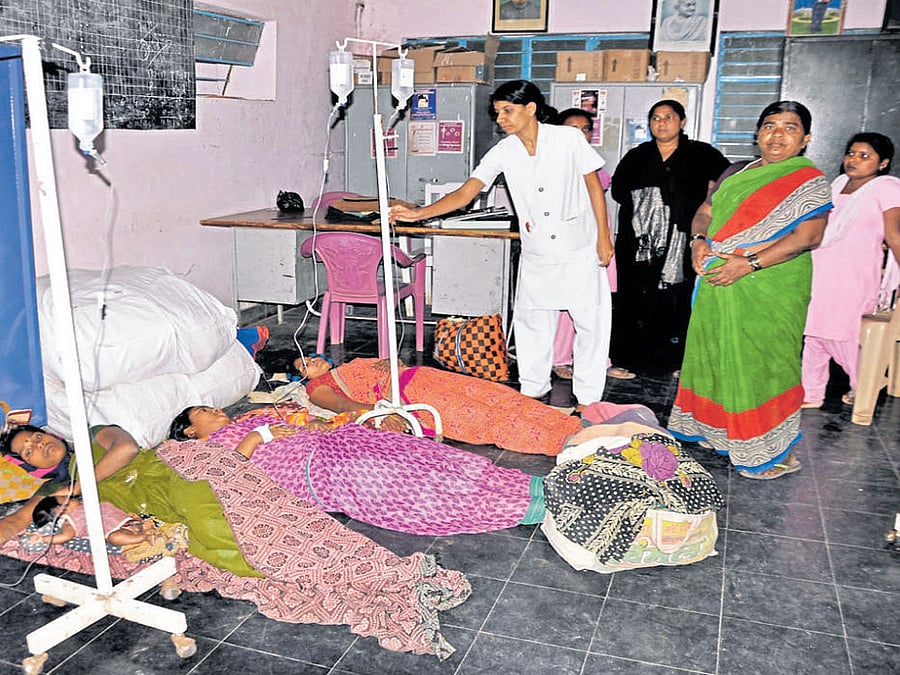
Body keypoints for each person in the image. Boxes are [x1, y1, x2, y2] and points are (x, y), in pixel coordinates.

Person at [0, 423, 470, 659]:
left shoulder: (94, 432)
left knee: (274, 526)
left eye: (36, 439)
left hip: (188, 470)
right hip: (163, 505)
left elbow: (125, 449)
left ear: (50, 433)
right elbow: (20, 518)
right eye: (27, 453)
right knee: (236, 552)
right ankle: (363, 578)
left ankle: (380, 572)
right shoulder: (58, 485)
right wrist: (25, 515)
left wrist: (81, 489)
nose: (37, 448)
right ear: (32, 466)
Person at [391, 80, 614, 411]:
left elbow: (594, 187)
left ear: (531, 109)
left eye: (507, 111)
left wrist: (603, 237)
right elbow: (467, 194)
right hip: (538, 250)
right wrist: (417, 214)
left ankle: (589, 398)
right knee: (532, 324)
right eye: (498, 113)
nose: (501, 119)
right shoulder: (504, 151)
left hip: (578, 247)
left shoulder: (567, 139)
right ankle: (533, 389)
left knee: (590, 323)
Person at [669, 100, 832, 480]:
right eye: (770, 126)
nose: (777, 135)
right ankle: (720, 431)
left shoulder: (808, 179)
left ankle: (769, 449)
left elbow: (809, 235)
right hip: (717, 278)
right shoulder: (735, 171)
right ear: (757, 133)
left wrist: (747, 264)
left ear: (806, 138)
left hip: (769, 282)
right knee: (715, 355)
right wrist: (697, 240)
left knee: (764, 362)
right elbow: (705, 212)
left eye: (790, 128)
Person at [167, 405, 546, 536]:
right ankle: (519, 507)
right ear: (189, 430)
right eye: (204, 411)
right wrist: (259, 435)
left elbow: (298, 424)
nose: (217, 411)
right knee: (399, 479)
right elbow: (232, 473)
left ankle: (527, 485)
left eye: (214, 407)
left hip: (331, 443)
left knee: (419, 454)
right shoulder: (203, 451)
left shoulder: (253, 415)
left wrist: (311, 426)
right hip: (319, 472)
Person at [610, 99, 730, 376]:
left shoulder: (702, 154)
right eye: (655, 118)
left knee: (677, 300)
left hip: (683, 241)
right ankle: (627, 361)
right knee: (633, 300)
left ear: (682, 121)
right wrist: (652, 208)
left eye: (668, 117)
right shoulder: (637, 155)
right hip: (640, 244)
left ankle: (678, 362)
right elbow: (619, 191)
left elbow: (724, 186)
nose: (661, 123)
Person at [298, 355, 584, 455]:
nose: (311, 361)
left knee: (499, 396)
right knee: (483, 417)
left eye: (309, 356)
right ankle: (564, 441)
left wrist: (390, 362)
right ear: (300, 378)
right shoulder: (317, 388)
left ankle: (573, 425)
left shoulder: (349, 366)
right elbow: (340, 404)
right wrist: (380, 415)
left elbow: (394, 365)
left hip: (423, 376)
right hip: (411, 396)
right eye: (304, 365)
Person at [801, 132, 900, 408]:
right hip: (821, 268)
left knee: (842, 335)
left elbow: (895, 236)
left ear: (883, 163)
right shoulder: (839, 184)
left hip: (853, 275)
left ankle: (865, 383)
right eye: (851, 153)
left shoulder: (887, 187)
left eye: (864, 156)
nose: (853, 160)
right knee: (813, 333)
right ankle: (811, 392)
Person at [549, 108, 631, 381]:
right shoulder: (551, 166)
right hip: (568, 247)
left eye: (585, 129)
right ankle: (560, 359)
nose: (579, 134)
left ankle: (599, 362)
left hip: (597, 243)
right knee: (566, 307)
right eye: (572, 128)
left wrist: (604, 241)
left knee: (596, 306)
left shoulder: (595, 167)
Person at [24, 495, 151, 554]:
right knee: (115, 538)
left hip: (128, 521)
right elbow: (65, 537)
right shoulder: (68, 521)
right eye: (66, 500)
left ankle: (146, 529)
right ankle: (144, 537)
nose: (71, 498)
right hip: (117, 531)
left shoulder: (85, 504)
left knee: (144, 522)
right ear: (60, 511)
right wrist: (44, 538)